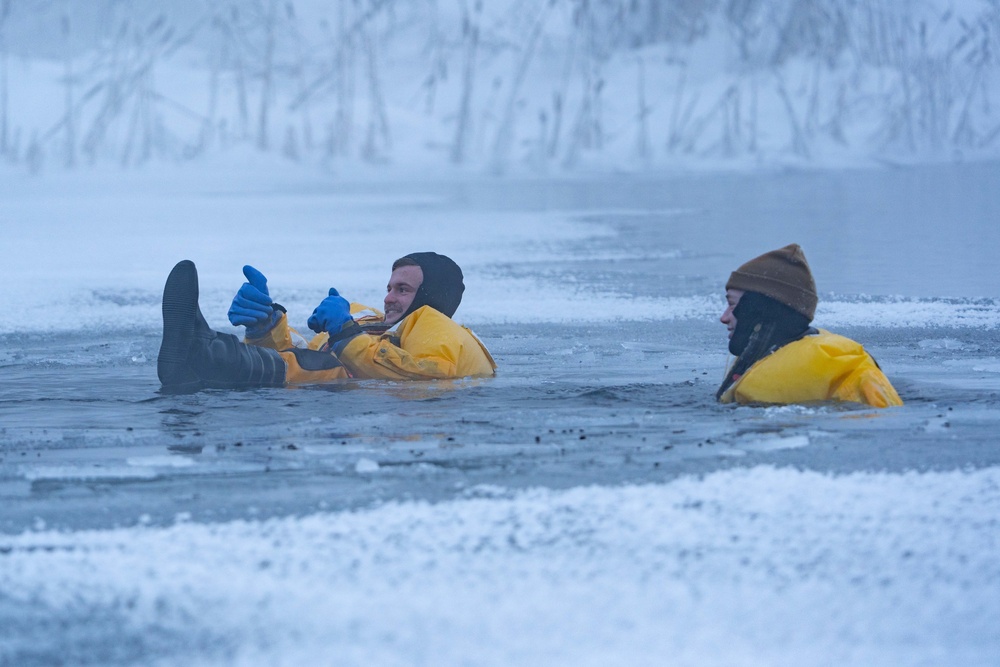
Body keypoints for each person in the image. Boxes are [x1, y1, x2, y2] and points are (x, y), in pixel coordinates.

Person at [157, 253, 496, 391]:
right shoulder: (373, 325)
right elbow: (298, 354)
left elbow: (427, 374)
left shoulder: (436, 326)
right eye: (389, 287)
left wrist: (346, 335)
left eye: (403, 289)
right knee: (323, 361)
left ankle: (202, 355)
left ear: (431, 298)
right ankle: (205, 352)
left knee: (332, 365)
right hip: (311, 400)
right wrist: (265, 327)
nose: (389, 297)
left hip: (369, 414)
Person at [717, 244, 902, 408]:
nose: (724, 318)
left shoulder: (839, 365)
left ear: (758, 309)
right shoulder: (762, 360)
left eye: (732, 305)